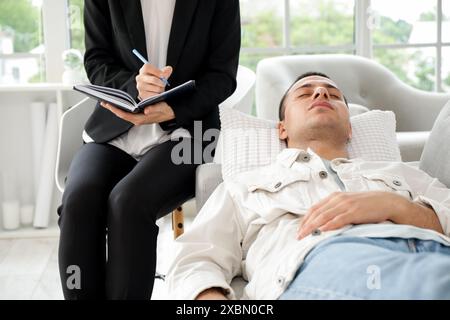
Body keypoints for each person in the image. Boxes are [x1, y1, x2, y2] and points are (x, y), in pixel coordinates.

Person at [166, 72, 450, 300]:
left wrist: (395, 205)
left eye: (333, 94)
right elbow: (194, 260)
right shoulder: (244, 186)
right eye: (305, 93)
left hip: (435, 252)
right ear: (282, 129)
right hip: (329, 262)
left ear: (350, 128)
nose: (321, 93)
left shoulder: (401, 173)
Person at [57, 0, 241, 300]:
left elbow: (223, 76)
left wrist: (172, 109)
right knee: (78, 202)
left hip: (186, 133)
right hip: (114, 131)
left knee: (128, 202)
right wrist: (134, 87)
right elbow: (96, 60)